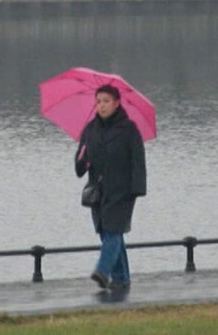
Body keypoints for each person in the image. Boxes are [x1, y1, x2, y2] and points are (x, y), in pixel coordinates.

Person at [74, 84, 146, 291]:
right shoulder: (90, 130)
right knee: (107, 233)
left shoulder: (129, 129)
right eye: (98, 102)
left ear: (116, 103)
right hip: (98, 191)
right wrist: (81, 159)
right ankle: (121, 278)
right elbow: (80, 168)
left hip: (122, 191)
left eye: (106, 101)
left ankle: (103, 271)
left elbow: (138, 162)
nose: (102, 106)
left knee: (113, 231)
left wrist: (136, 190)